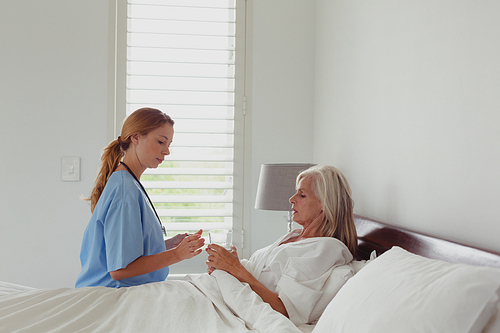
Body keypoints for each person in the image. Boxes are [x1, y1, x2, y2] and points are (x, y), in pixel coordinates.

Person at [206, 165, 357, 325]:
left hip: (233, 311)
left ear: (324, 204)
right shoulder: (295, 235)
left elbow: (284, 309)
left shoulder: (324, 250)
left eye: (302, 195)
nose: (291, 199)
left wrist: (235, 268)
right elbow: (260, 274)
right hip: (218, 295)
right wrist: (231, 265)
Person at [76, 107, 205, 288]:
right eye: (161, 142)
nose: (166, 151)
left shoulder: (128, 183)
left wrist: (168, 245)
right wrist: (177, 254)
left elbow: (129, 253)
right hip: (111, 297)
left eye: (169, 144)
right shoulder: (124, 190)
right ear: (135, 138)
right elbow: (120, 270)